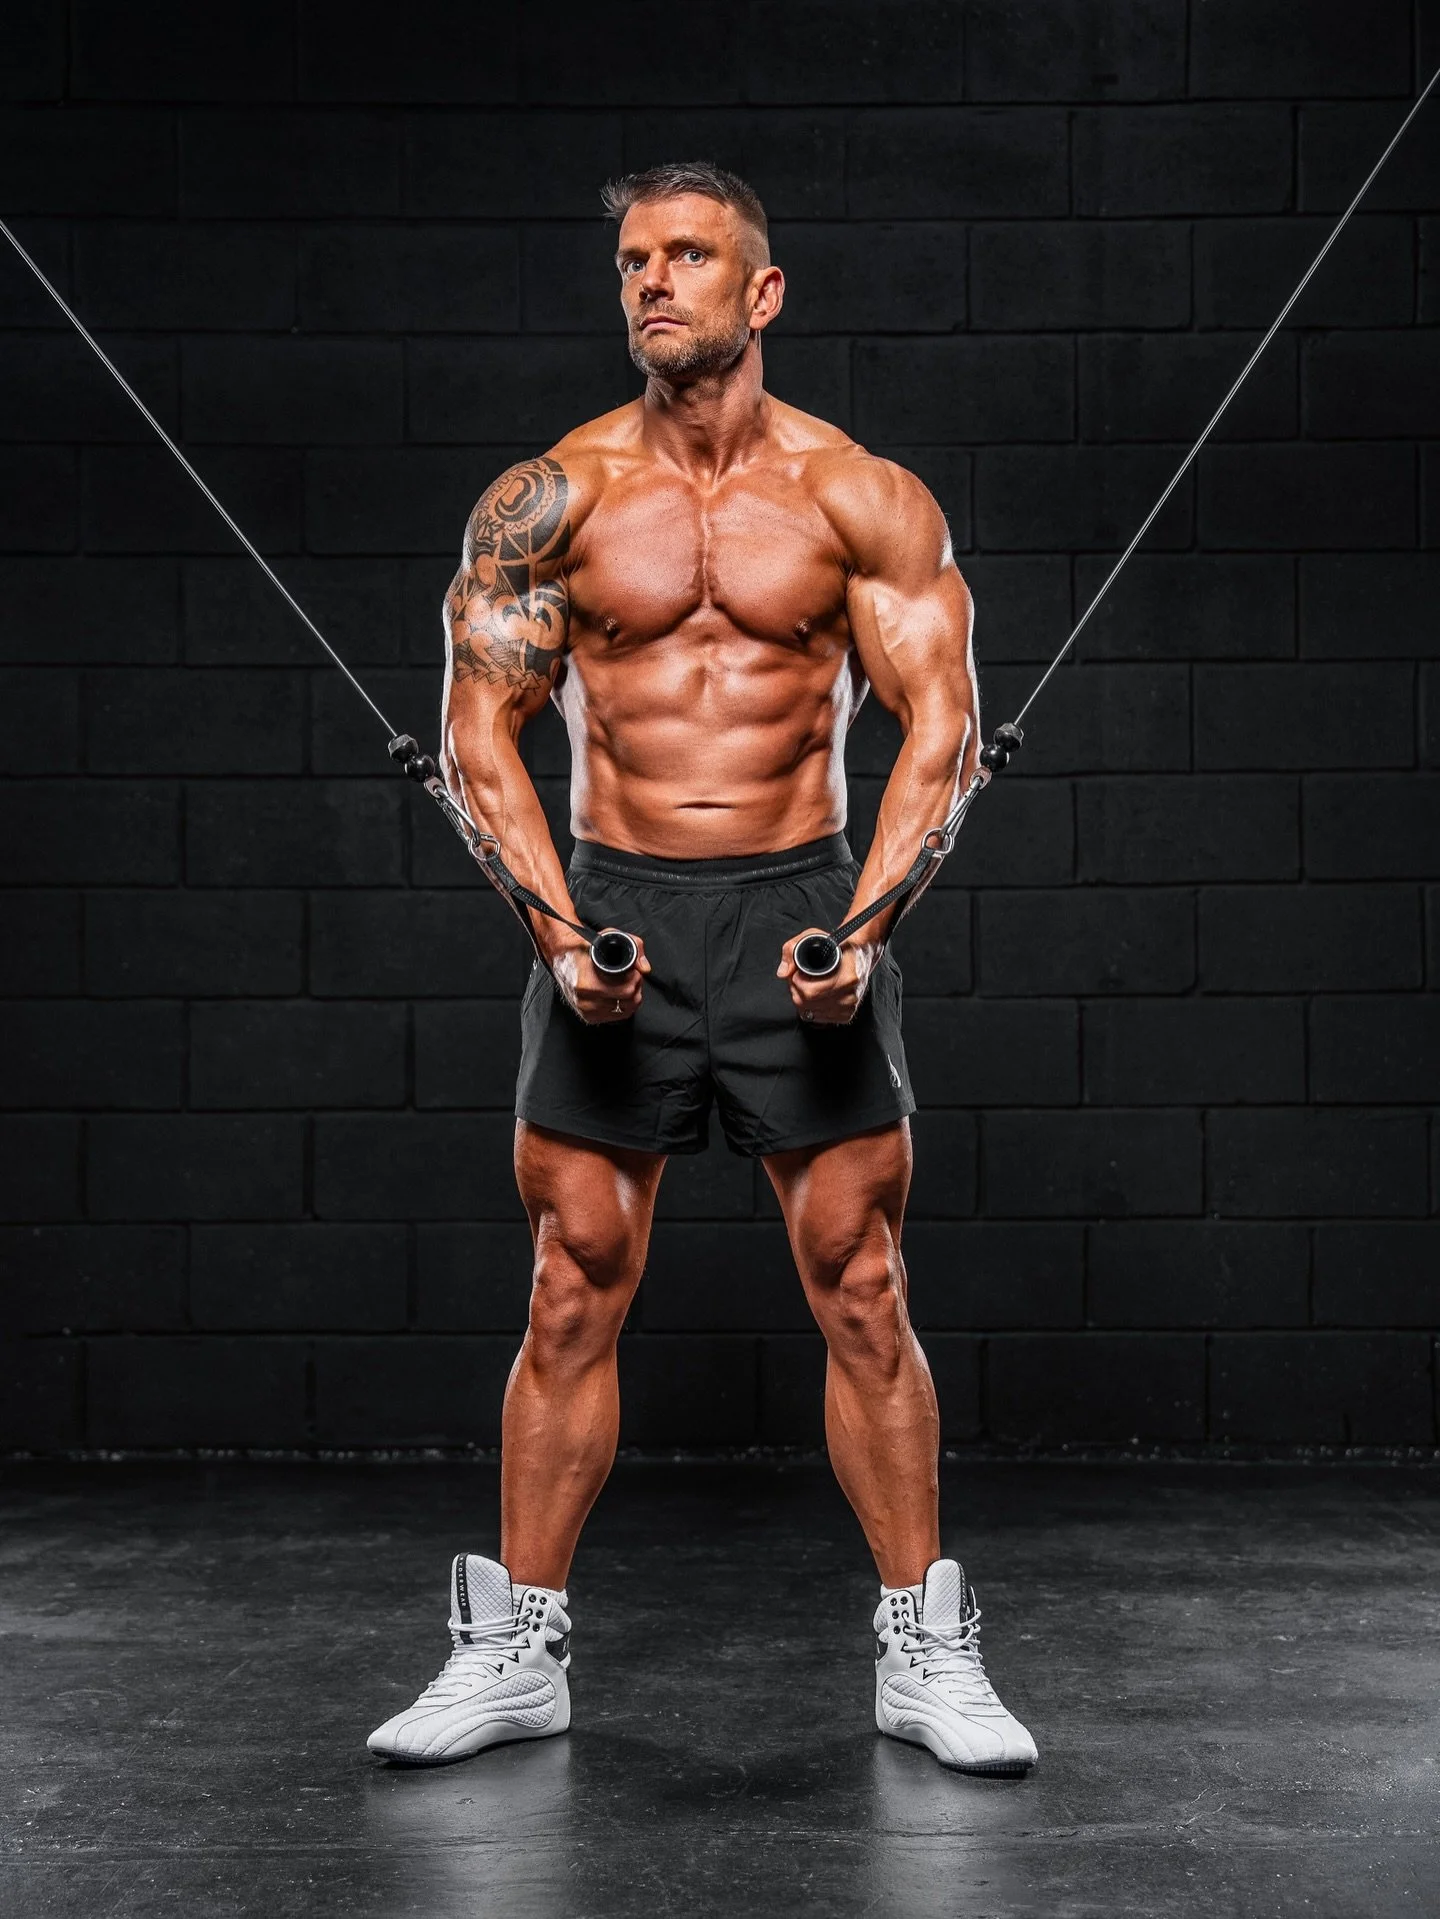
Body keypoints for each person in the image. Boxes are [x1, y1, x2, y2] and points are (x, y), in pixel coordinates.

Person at [367, 162, 1037, 1777]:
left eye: (687, 255)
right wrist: (556, 930)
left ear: (763, 289)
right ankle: (517, 1648)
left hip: (804, 896)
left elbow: (942, 730)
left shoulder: (860, 497)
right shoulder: (554, 500)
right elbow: (477, 732)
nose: (654, 282)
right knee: (571, 1276)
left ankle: (924, 1649)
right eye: (633, 261)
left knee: (861, 1280)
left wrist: (865, 932)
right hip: (614, 901)